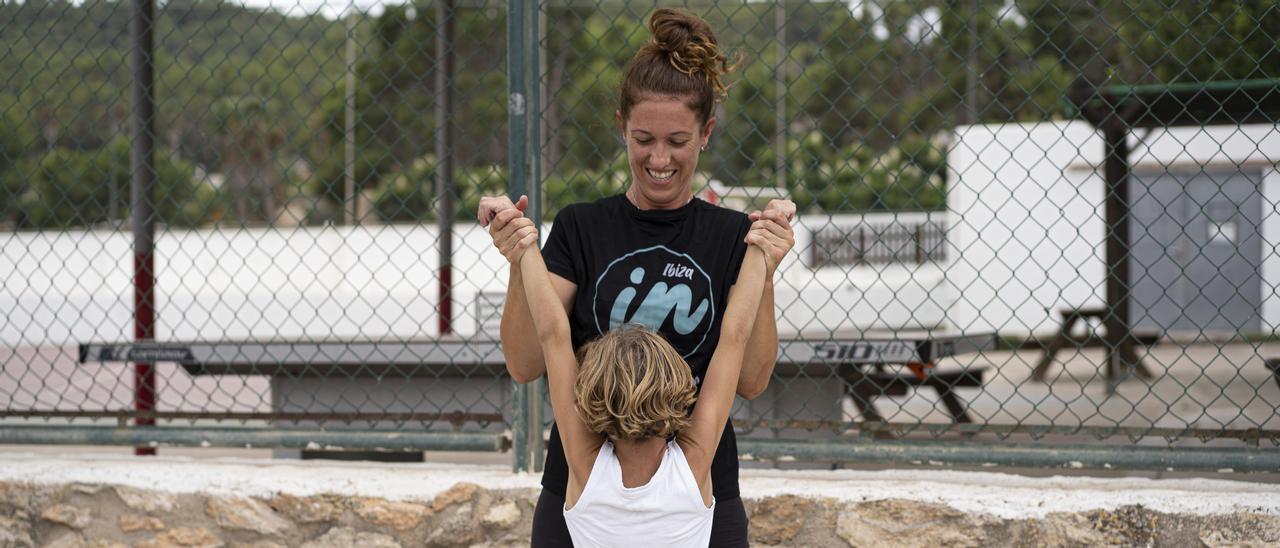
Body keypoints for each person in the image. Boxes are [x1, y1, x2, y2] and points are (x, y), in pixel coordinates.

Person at [479, 7, 796, 546]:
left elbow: (750, 377)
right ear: (621, 125)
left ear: (706, 133)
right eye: (644, 138)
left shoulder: (729, 237)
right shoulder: (582, 228)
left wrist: (763, 266)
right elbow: (529, 359)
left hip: (699, 489)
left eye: (677, 140)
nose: (659, 158)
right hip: (583, 482)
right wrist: (519, 256)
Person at [486, 193, 769, 546]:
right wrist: (762, 248)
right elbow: (735, 337)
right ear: (681, 390)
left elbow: (554, 334)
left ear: (589, 396)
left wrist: (523, 248)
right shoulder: (692, 469)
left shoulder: (585, 470)